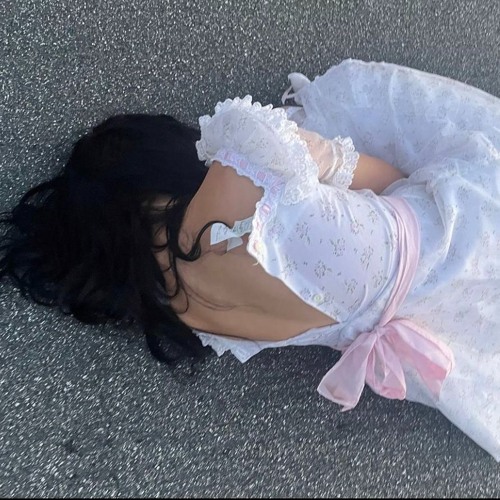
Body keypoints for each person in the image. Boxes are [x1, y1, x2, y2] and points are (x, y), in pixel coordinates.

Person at [1, 59, 499, 460]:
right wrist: (325, 159)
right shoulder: (245, 155)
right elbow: (390, 181)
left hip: (420, 317)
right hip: (461, 226)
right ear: (162, 159)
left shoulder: (181, 310)